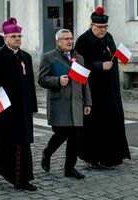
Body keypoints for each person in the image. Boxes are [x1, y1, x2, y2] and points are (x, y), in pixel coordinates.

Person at [74, 7, 131, 168]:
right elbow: (79, 66)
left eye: (105, 27)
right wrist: (99, 65)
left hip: (110, 89)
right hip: (93, 90)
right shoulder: (83, 40)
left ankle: (112, 156)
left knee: (113, 121)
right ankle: (93, 158)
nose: (103, 30)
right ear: (91, 25)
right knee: (95, 125)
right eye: (99, 27)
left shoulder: (109, 37)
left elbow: (113, 54)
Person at [0, 17, 38, 191]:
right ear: (5, 37)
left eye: (19, 36)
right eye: (14, 36)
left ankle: (23, 178)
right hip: (5, 110)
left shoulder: (26, 57)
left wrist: (32, 107)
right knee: (5, 144)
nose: (17, 39)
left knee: (24, 144)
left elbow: (31, 83)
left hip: (23, 109)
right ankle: (8, 173)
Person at [38, 29, 92, 179]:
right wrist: (57, 81)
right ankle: (47, 152)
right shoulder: (49, 57)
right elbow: (41, 79)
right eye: (65, 39)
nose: (69, 41)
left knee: (75, 138)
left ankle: (70, 169)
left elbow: (84, 82)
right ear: (58, 41)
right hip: (59, 104)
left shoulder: (79, 58)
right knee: (61, 134)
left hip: (76, 104)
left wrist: (88, 102)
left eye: (71, 38)